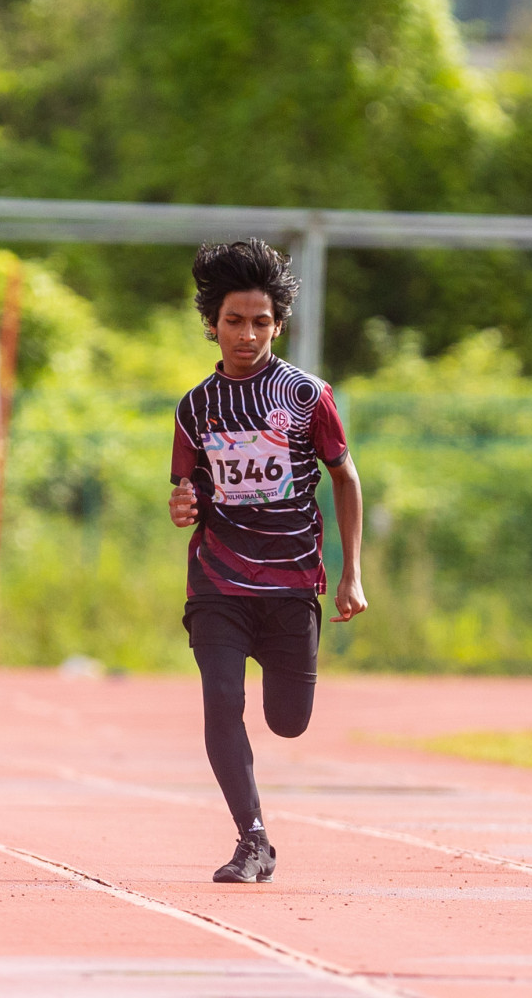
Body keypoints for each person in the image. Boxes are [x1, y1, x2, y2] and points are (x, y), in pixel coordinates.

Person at [168, 239, 366, 883]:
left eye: (259, 322)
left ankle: (288, 685)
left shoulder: (307, 396)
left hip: (290, 584)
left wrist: (351, 574)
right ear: (212, 325)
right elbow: (186, 489)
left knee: (288, 723)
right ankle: (252, 840)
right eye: (233, 321)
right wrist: (183, 503)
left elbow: (345, 479)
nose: (246, 335)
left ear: (277, 325)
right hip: (218, 581)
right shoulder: (195, 407)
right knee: (222, 702)